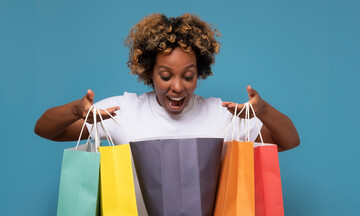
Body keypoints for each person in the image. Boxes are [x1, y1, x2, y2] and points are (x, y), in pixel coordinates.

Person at [34, 13, 300, 151]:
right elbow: (46, 130)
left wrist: (262, 110)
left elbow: (288, 140)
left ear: (200, 72)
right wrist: (75, 111)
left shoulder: (223, 115)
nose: (177, 87)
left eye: (188, 76)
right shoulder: (120, 112)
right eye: (165, 76)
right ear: (149, 72)